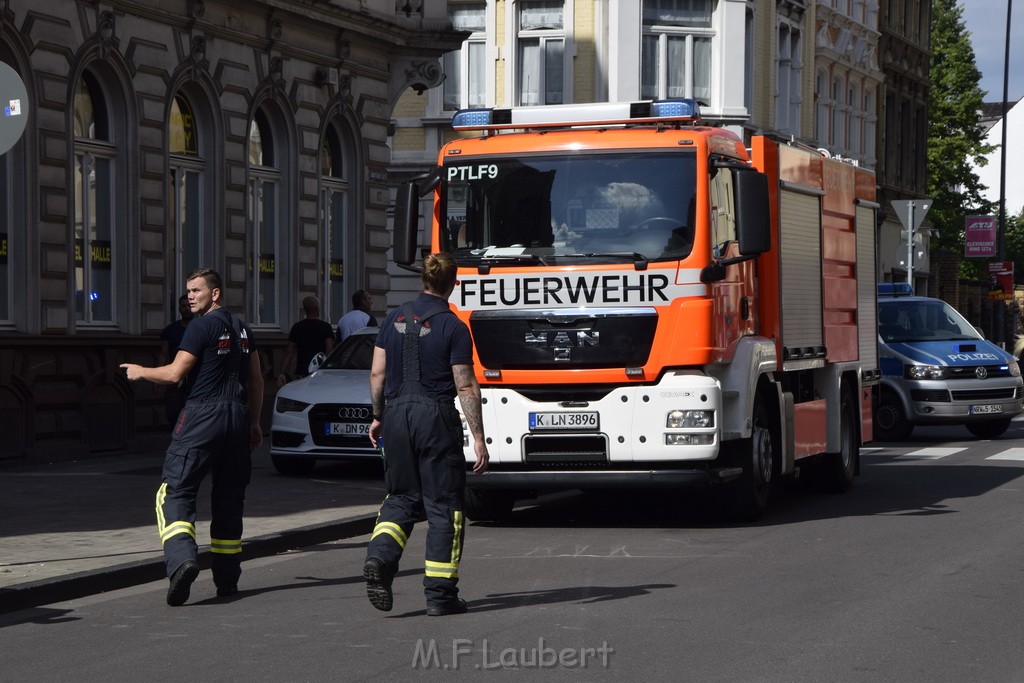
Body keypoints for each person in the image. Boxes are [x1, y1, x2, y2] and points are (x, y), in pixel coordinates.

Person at [121, 268, 264, 606]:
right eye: (187, 291)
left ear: (215, 294)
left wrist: (140, 371)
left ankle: (183, 561)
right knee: (229, 499)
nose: (190, 297)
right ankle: (227, 581)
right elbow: (257, 380)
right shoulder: (244, 329)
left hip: (202, 415)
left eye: (196, 290)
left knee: (174, 491)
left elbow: (174, 373)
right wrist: (255, 424)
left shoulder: (200, 326)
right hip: (237, 419)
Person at [363, 252, 489, 617]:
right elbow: (465, 386)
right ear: (453, 283)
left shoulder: (393, 319)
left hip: (397, 416)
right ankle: (440, 596)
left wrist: (377, 416)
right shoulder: (453, 327)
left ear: (423, 279)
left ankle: (379, 558)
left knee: (400, 498)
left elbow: (376, 375)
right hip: (435, 418)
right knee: (443, 508)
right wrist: (478, 437)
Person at [277, 296, 335, 387]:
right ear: (316, 308)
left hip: (302, 371)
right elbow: (329, 351)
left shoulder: (297, 327)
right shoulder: (325, 327)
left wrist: (282, 373)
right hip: (320, 372)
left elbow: (289, 351)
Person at [159, 294, 195, 426]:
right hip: (175, 377)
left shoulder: (201, 328)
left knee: (193, 413)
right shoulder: (171, 330)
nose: (186, 309)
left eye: (189, 306)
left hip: (196, 377)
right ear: (179, 309)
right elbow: (164, 354)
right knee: (172, 412)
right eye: (183, 306)